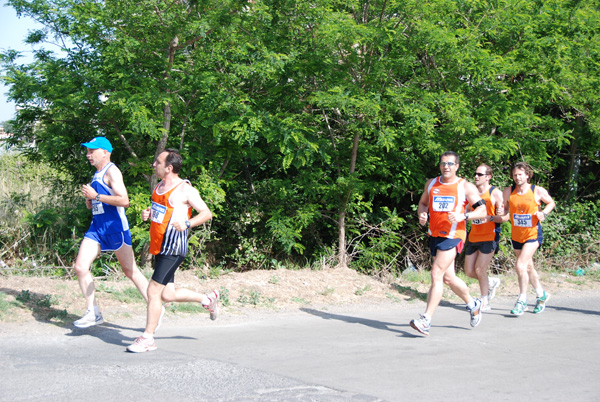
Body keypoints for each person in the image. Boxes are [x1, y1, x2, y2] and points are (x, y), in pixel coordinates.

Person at [127, 148, 219, 353]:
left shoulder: (184, 189)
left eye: (157, 162)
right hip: (159, 246)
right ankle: (208, 299)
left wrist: (187, 223)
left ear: (169, 168)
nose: (154, 165)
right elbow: (162, 212)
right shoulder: (159, 186)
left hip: (174, 248)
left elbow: (206, 213)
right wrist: (148, 213)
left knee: (152, 291)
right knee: (167, 295)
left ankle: (148, 338)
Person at [73, 137, 149, 328]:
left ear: (105, 152)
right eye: (87, 151)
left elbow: (124, 200)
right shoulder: (97, 173)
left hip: (115, 228)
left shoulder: (112, 171)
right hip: (97, 228)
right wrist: (91, 202)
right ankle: (93, 312)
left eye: (92, 151)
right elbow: (101, 201)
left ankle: (155, 305)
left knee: (130, 271)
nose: (88, 155)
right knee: (80, 267)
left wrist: (96, 196)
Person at [410, 151, 488, 336]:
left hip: (454, 235)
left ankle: (426, 320)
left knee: (436, 273)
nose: (446, 166)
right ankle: (473, 304)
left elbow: (483, 210)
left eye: (450, 164)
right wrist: (422, 214)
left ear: (457, 166)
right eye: (443, 163)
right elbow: (423, 203)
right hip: (435, 234)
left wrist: (464, 215)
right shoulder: (431, 184)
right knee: (448, 278)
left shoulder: (465, 186)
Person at [499, 162, 555, 316]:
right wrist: (499, 211)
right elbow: (504, 210)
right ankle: (541, 294)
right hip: (517, 236)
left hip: (533, 235)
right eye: (515, 175)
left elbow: (551, 202)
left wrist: (543, 213)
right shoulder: (508, 191)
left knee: (520, 266)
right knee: (528, 268)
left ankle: (522, 300)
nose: (517, 177)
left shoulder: (537, 191)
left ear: (527, 175)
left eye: (520, 174)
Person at [464, 164, 504, 311]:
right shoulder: (471, 193)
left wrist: (493, 216)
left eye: (480, 174)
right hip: (474, 236)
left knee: (480, 269)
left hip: (489, 236)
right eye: (475, 174)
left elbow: (505, 217)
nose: (476, 176)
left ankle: (485, 301)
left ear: (488, 177)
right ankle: (490, 282)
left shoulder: (495, 193)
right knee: (469, 271)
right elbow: (467, 210)